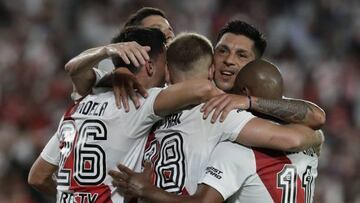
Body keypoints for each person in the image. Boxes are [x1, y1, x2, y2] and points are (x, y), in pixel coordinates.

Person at [108, 34, 323, 200]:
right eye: (223, 51)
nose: (229, 60)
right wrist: (316, 137)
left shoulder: (153, 106)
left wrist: (117, 71)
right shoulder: (227, 118)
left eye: (241, 55)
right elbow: (304, 131)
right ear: (212, 66)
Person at [28, 27, 219, 202]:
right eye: (166, 63)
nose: (168, 71)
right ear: (150, 66)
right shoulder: (140, 103)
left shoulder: (79, 106)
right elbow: (202, 88)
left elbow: (38, 177)